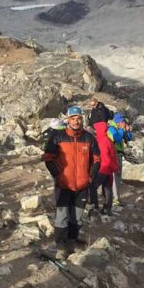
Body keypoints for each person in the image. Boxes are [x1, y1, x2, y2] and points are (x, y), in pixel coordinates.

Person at [42, 106, 101, 260]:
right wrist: (58, 175)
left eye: (79, 118)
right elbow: (48, 157)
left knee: (77, 217)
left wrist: (90, 177)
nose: (76, 121)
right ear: (68, 120)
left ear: (82, 119)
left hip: (82, 186)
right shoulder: (57, 136)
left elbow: (97, 159)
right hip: (64, 184)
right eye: (73, 118)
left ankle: (71, 243)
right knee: (61, 217)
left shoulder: (89, 138)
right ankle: (60, 247)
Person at [108, 112, 134, 207]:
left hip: (119, 155)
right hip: (113, 155)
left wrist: (129, 131)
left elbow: (129, 138)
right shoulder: (111, 128)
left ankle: (117, 198)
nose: (124, 123)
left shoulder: (119, 129)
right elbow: (118, 139)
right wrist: (122, 130)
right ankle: (114, 199)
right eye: (123, 121)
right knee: (114, 177)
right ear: (118, 121)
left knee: (118, 177)